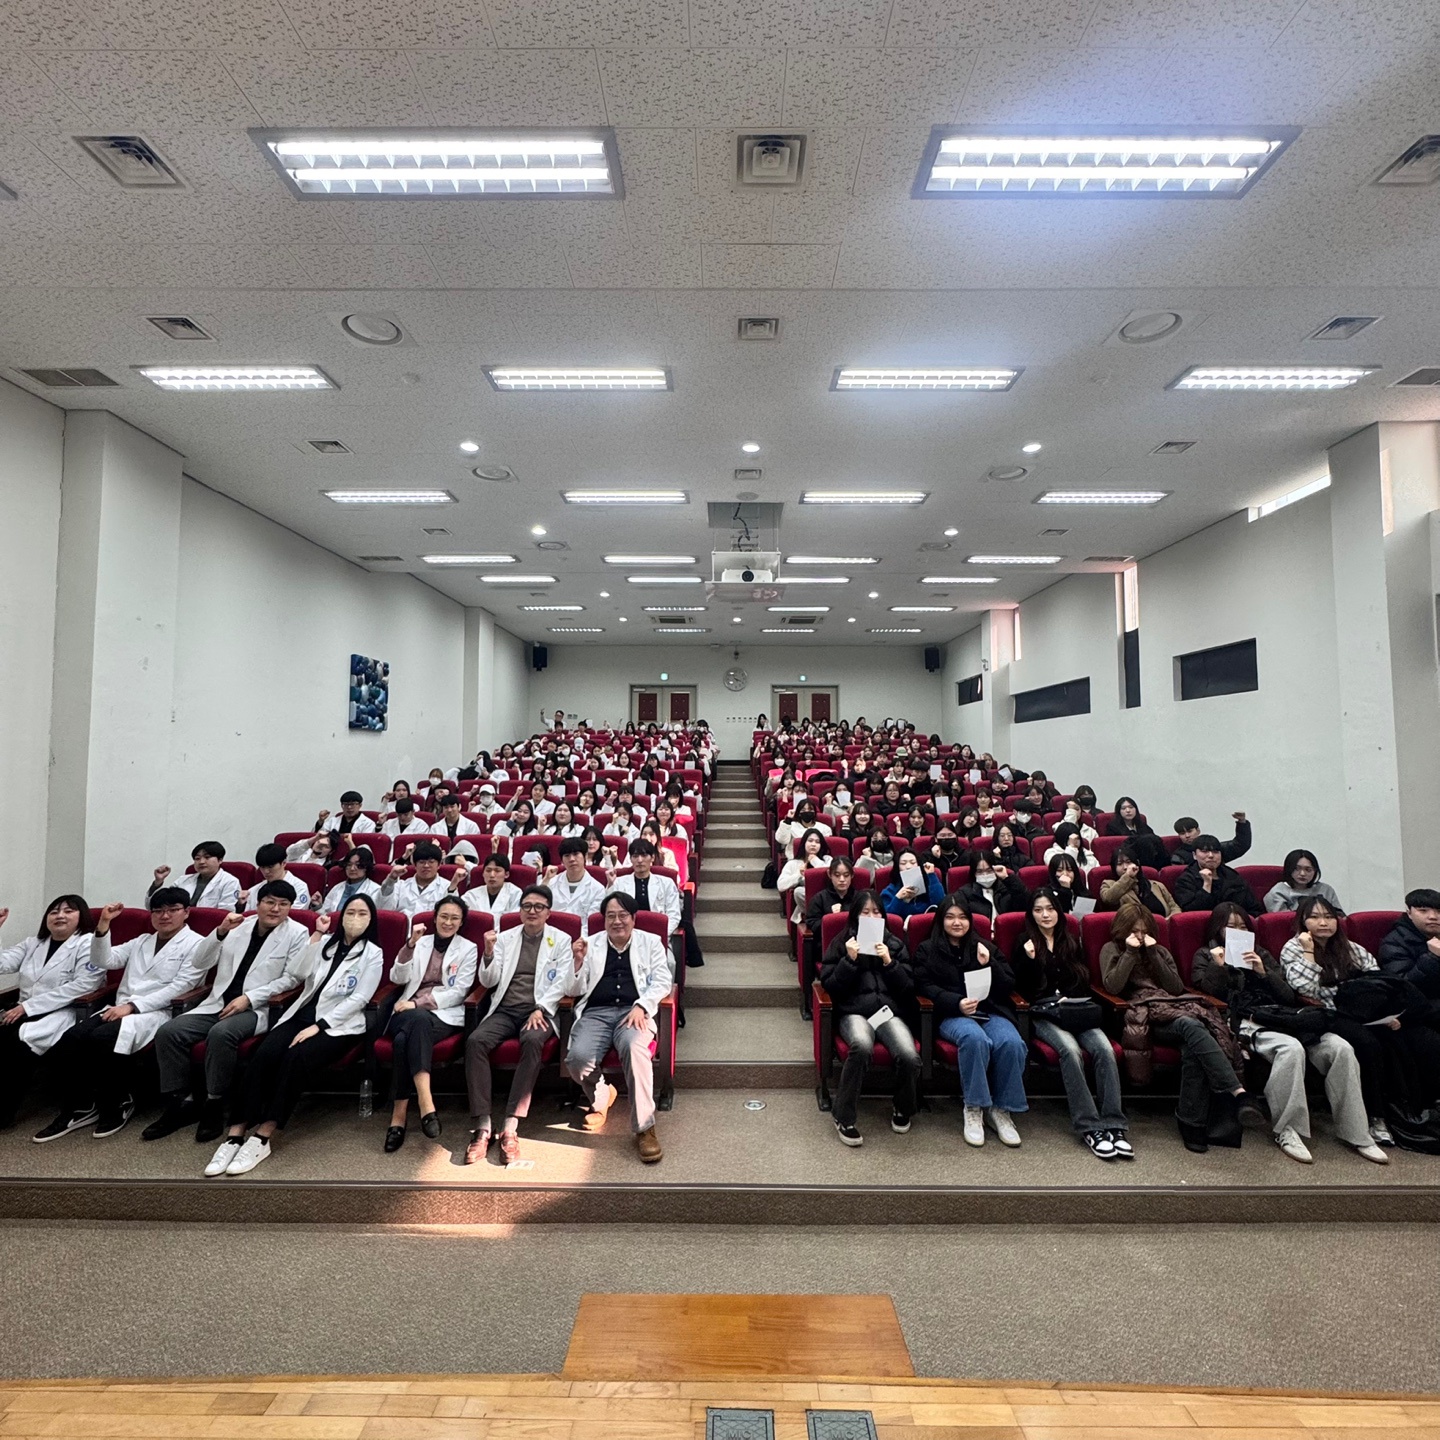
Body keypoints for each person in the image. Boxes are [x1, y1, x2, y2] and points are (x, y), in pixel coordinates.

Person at [1191, 903, 1385, 1164]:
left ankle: (1357, 1132)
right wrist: (1220, 966)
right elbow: (1208, 993)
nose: (1237, 931)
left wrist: (1263, 972)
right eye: (1230, 926)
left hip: (1285, 1015)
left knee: (1341, 1048)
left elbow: (1287, 995)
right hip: (1247, 1019)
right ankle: (1288, 1129)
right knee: (1291, 1049)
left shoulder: (1261, 953)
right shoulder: (1206, 954)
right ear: (1217, 929)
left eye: (1243, 926)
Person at [207, 895, 383, 1177]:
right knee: (263, 1055)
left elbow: (360, 998)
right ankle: (235, 1135)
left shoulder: (373, 953)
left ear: (371, 920)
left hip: (338, 1025)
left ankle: (262, 1137)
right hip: (301, 1014)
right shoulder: (326, 943)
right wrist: (316, 936)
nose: (355, 918)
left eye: (363, 913)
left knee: (295, 1058)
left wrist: (319, 1026)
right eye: (350, 912)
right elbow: (298, 972)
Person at [33, 889, 207, 1142]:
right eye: (158, 911)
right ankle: (81, 1107)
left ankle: (118, 1103)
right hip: (121, 1007)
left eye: (172, 910)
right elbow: (105, 960)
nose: (164, 916)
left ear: (186, 912)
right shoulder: (142, 941)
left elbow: (181, 987)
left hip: (159, 1011)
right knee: (73, 1037)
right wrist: (103, 925)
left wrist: (133, 1007)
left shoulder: (198, 944)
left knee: (103, 1038)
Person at [144, 881, 310, 1143]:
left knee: (221, 1034)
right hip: (218, 1001)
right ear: (258, 903)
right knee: (169, 1032)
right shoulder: (237, 926)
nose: (276, 909)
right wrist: (220, 932)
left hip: (258, 1007)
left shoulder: (297, 933)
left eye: (283, 904)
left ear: (290, 907)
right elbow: (200, 961)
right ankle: (183, 1101)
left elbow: (291, 978)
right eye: (270, 902)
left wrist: (250, 998)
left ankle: (215, 1102)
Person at [1281, 896, 1440, 1136]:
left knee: (1400, 1039)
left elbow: (1378, 982)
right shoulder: (1294, 948)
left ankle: (1407, 1108)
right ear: (1302, 921)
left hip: (1364, 1012)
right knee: (1368, 1044)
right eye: (1314, 917)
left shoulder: (1350, 947)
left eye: (1329, 917)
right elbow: (1306, 988)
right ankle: (1376, 1116)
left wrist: (1386, 1012)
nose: (1323, 923)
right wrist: (1309, 952)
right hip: (1328, 1013)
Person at [1099, 903, 1247, 1153]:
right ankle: (1237, 1091)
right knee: (1191, 1025)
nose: (1140, 936)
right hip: (1142, 1017)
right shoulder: (1111, 949)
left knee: (1193, 1047)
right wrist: (1130, 953)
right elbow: (1113, 986)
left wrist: (1153, 953)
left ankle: (1192, 1122)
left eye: (1145, 931)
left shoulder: (1159, 951)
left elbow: (1175, 987)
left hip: (1172, 1009)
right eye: (1134, 931)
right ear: (1123, 930)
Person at [1011, 888, 1131, 1160]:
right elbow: (1021, 988)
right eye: (1038, 910)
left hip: (1075, 1009)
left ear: (1058, 911)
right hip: (1043, 1013)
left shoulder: (1070, 939)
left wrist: (1071, 995)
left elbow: (1083, 978)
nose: (1045, 915)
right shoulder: (1024, 942)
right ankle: (1090, 1126)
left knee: (1105, 1050)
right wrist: (1030, 961)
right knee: (1070, 1050)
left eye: (1050, 909)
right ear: (1031, 914)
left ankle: (1114, 1124)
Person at [550, 893, 670, 1164]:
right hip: (597, 1012)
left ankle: (645, 1127)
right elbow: (571, 989)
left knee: (635, 1049)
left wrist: (643, 1005)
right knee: (577, 1059)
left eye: (623, 915)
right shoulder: (589, 944)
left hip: (633, 1012)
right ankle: (601, 1095)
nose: (617, 921)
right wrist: (577, 962)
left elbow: (663, 980)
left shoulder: (651, 942)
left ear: (634, 918)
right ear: (603, 920)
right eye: (611, 916)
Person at [462, 886, 570, 1165]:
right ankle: (483, 1126)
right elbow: (488, 981)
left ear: (548, 912)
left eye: (539, 907)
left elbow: (562, 983)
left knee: (532, 1040)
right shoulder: (505, 938)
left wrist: (540, 1008)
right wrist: (488, 953)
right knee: (475, 1041)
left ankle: (511, 1125)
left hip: (538, 1010)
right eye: (527, 906)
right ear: (519, 910)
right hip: (505, 1009)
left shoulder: (560, 940)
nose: (532, 911)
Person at [912, 895, 1026, 1148]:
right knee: (975, 1039)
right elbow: (923, 986)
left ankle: (1000, 1109)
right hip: (951, 1013)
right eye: (950, 917)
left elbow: (1009, 984)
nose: (957, 922)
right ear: (941, 920)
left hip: (988, 1011)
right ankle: (974, 1106)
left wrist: (990, 963)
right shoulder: (927, 949)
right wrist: (956, 1002)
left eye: (963, 917)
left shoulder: (984, 946)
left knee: (1011, 1042)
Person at [819, 890, 920, 1147]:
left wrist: (889, 962)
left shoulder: (894, 944)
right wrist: (849, 960)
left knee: (909, 1054)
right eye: (865, 913)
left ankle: (903, 1106)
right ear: (855, 916)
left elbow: (908, 988)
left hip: (887, 1013)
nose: (872, 917)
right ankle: (844, 1117)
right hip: (853, 1012)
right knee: (862, 1045)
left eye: (876, 912)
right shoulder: (842, 942)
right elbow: (829, 985)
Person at [381, 895, 478, 1152]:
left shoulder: (468, 948)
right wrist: (410, 946)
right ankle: (426, 1102)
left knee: (403, 1041)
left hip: (443, 1013)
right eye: (443, 916)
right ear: (435, 918)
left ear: (461, 922)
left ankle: (398, 1117)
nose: (448, 922)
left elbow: (459, 991)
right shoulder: (419, 942)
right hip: (405, 1010)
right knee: (418, 1022)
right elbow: (397, 977)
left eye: (454, 918)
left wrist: (418, 1004)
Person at [0, 896, 99, 1129]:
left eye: (68, 911)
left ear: (82, 917)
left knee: (18, 1044)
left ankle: (4, 1112)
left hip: (65, 1011)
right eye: (54, 912)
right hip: (22, 1008)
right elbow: (2, 964)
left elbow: (85, 985)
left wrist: (28, 1007)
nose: (60, 915)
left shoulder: (89, 944)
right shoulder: (33, 943)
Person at [605, 840, 682, 969]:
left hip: (658, 936)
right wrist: (611, 885)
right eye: (635, 856)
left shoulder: (666, 883)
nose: (640, 860)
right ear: (630, 859)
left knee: (670, 963)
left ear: (652, 858)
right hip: (626, 936)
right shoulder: (619, 882)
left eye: (644, 855)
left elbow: (674, 916)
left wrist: (661, 934)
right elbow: (609, 911)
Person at [801, 857, 857, 1019]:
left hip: (856, 948)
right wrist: (831, 919)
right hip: (827, 950)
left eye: (846, 875)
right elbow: (812, 923)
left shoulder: (859, 898)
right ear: (829, 875)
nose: (842, 880)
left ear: (852, 876)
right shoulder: (820, 898)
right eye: (837, 875)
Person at [1173, 835, 1261, 915]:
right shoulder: (1185, 880)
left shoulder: (1232, 875)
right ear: (1194, 855)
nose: (1211, 856)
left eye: (1215, 851)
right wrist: (1206, 885)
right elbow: (1192, 912)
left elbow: (1253, 908)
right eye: (1204, 851)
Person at [1378, 888, 1440, 999]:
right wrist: (1432, 957)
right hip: (1421, 1002)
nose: (1433, 917)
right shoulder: (1394, 943)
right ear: (1409, 913)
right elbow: (1403, 986)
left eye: (1439, 911)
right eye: (1423, 911)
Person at [149, 842, 240, 910]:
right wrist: (158, 882)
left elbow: (225, 913)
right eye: (197, 858)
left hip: (210, 926)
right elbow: (156, 906)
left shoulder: (230, 882)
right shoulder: (183, 880)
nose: (201, 862)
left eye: (207, 857)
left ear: (220, 860)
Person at [1099, 844, 1178, 917]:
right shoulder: (1108, 885)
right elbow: (1109, 899)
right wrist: (1128, 876)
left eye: (1128, 862)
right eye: (1119, 864)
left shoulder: (1157, 885)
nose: (1125, 867)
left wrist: (1167, 922)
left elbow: (1175, 908)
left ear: (1137, 864)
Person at [378, 840, 451, 918]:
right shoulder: (401, 885)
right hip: (405, 925)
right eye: (421, 862)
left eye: (431, 862)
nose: (426, 866)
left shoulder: (447, 887)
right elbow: (385, 908)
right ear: (414, 865)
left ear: (439, 865)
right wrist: (391, 879)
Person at [956, 850, 1028, 924]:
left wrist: (1007, 878)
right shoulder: (964, 893)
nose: (985, 875)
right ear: (974, 873)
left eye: (989, 870)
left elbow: (1024, 904)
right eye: (979, 871)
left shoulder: (1007, 889)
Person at [545, 838, 606, 919]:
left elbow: (591, 922)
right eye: (567, 855)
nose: (572, 859)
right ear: (562, 860)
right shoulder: (551, 883)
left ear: (585, 856)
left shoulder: (598, 889)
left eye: (576, 854)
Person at [778, 828, 830, 924]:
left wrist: (814, 860)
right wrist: (799, 875)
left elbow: (830, 876)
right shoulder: (793, 864)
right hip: (808, 903)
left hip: (827, 899)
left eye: (817, 842)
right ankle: (815, 917)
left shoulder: (827, 860)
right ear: (804, 843)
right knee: (798, 891)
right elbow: (780, 885)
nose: (813, 844)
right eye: (810, 841)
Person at [1265, 850, 1342, 914]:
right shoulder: (1278, 892)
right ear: (1289, 869)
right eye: (1297, 869)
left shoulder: (1325, 890)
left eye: (1308, 870)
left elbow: (1340, 917)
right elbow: (1280, 921)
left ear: (1315, 871)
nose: (1302, 874)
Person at [241, 844, 312, 912]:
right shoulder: (253, 891)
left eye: (270, 867)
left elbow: (296, 915)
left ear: (283, 863)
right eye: (262, 867)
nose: (266, 871)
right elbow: (248, 916)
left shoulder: (300, 887)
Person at [1104, 796, 1168, 869]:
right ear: (1119, 811)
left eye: (1131, 807)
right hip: (1129, 857)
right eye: (1124, 808)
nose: (1128, 810)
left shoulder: (1142, 825)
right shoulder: (1113, 827)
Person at [880, 849, 945, 919]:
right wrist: (898, 898)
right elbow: (889, 919)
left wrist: (931, 875)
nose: (909, 867)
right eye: (903, 863)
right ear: (897, 867)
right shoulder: (890, 891)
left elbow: (941, 905)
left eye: (913, 862)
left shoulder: (930, 884)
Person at [317, 846, 382, 914]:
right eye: (349, 864)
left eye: (358, 865)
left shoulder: (375, 890)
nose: (352, 868)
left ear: (367, 867)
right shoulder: (337, 888)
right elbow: (325, 914)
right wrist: (318, 907)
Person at [1171, 813, 1250, 867]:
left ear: (1198, 831)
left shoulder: (1214, 847)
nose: (1187, 836)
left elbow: (1240, 845)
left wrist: (1241, 822)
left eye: (1190, 831)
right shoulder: (1178, 857)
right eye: (1182, 833)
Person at [465, 854, 522, 918]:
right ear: (483, 873)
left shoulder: (515, 893)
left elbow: (516, 919)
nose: (492, 875)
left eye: (497, 871)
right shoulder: (471, 895)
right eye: (488, 870)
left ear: (506, 874)